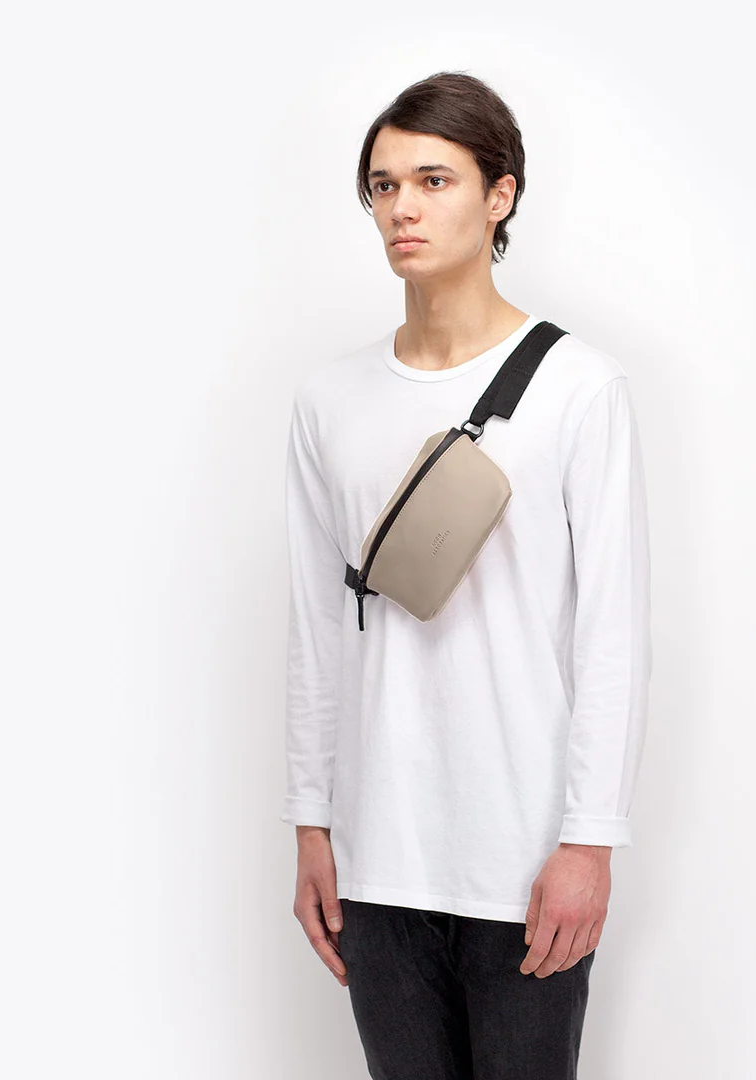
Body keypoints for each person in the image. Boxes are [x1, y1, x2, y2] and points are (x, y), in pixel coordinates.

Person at [281, 70, 653, 1080]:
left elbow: (612, 633)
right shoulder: (329, 401)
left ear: (501, 195)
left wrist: (590, 841)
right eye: (383, 184)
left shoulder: (581, 387)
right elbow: (318, 626)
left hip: (524, 861)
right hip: (376, 859)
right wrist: (312, 823)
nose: (402, 207)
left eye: (434, 180)